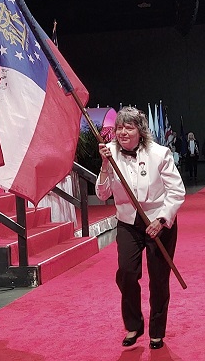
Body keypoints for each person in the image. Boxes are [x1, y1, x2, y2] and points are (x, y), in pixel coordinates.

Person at [95, 106, 185, 350]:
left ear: (140, 131)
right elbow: (102, 194)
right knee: (126, 273)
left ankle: (157, 331)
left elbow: (177, 191)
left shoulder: (159, 153)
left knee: (158, 280)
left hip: (158, 223)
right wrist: (104, 165)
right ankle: (134, 324)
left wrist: (162, 219)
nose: (123, 132)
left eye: (129, 127)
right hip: (127, 223)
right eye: (119, 127)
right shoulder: (109, 153)